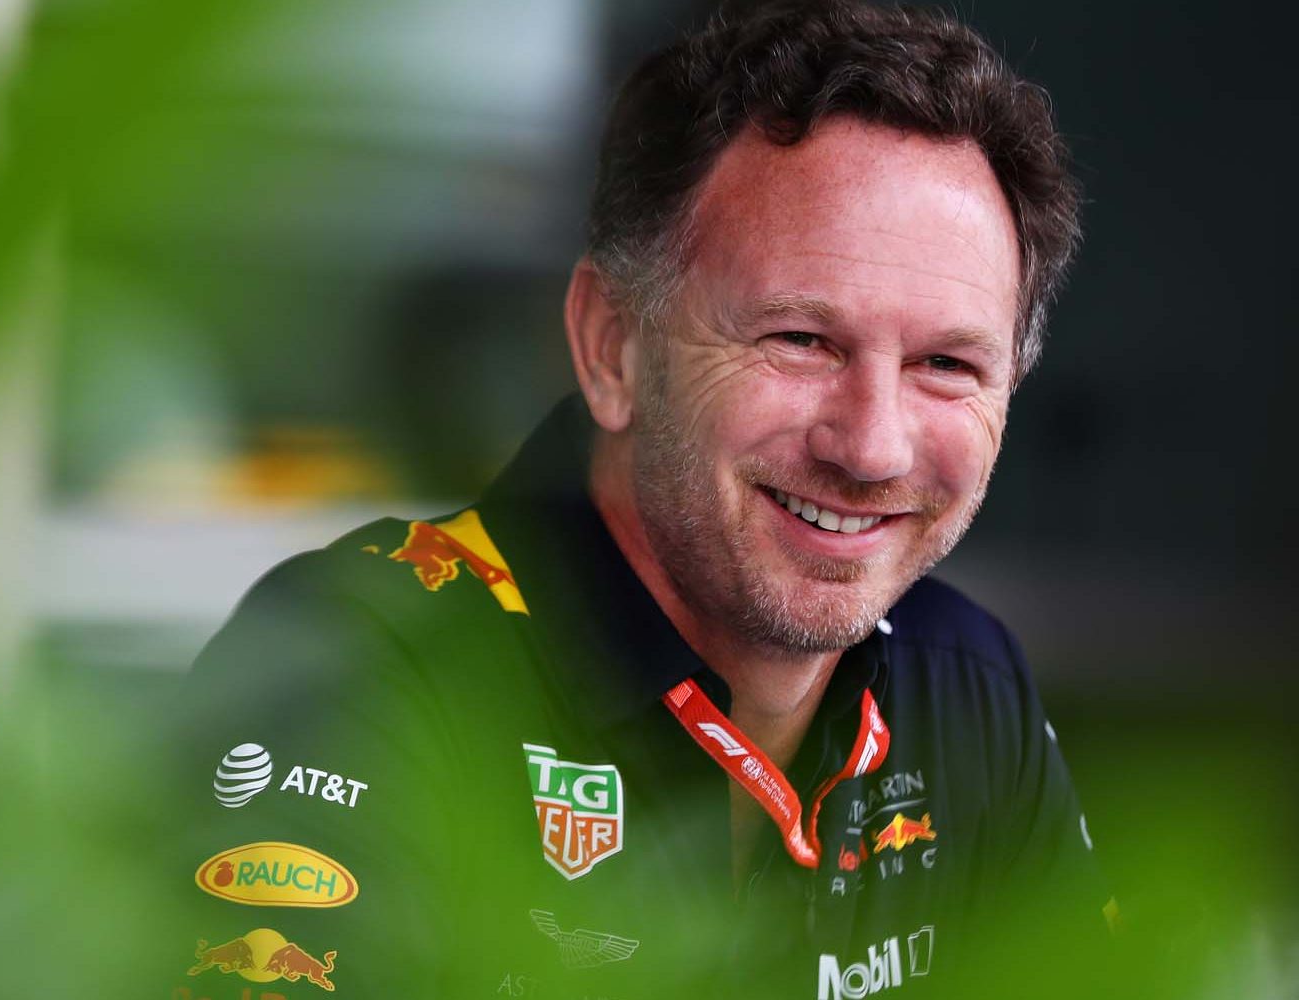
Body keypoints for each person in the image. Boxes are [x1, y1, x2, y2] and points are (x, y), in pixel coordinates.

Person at [162, 2, 1113, 996]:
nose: (872, 446)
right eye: (800, 340)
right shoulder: (358, 663)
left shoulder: (966, 686)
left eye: (948, 364)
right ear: (613, 345)